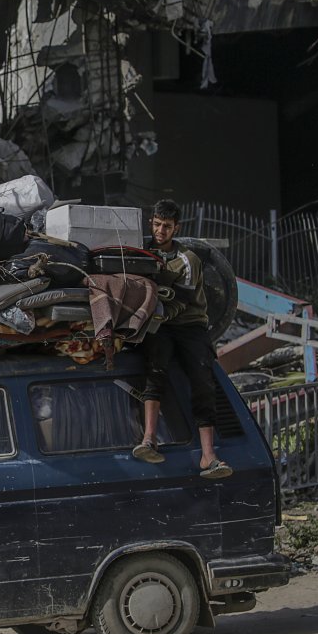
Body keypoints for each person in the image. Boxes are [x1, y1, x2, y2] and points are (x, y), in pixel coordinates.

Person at [131, 199, 233, 480]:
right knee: (155, 370)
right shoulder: (141, 252)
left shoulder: (189, 259)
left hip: (189, 325)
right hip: (159, 325)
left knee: (202, 380)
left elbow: (183, 301)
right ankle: (149, 438)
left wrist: (155, 313)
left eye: (166, 226)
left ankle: (208, 456)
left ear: (176, 228)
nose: (160, 231)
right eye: (157, 224)